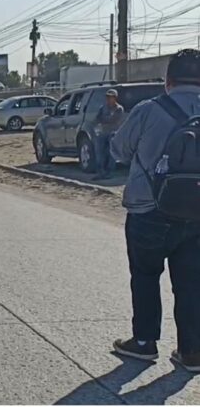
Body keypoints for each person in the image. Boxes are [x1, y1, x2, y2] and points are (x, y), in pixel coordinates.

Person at [110, 48, 200, 372]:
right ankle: (192, 351)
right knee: (192, 282)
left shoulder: (149, 110)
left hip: (148, 208)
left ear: (168, 81)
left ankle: (145, 343)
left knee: (146, 276)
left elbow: (119, 150)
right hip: (197, 213)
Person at [93, 89, 125, 180]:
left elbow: (114, 120)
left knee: (111, 153)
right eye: (107, 97)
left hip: (113, 133)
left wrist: (104, 119)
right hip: (103, 132)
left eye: (111, 97)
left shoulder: (119, 108)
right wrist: (104, 119)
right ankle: (100, 172)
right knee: (99, 152)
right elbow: (97, 118)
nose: (108, 99)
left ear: (115, 98)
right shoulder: (102, 107)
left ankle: (109, 172)